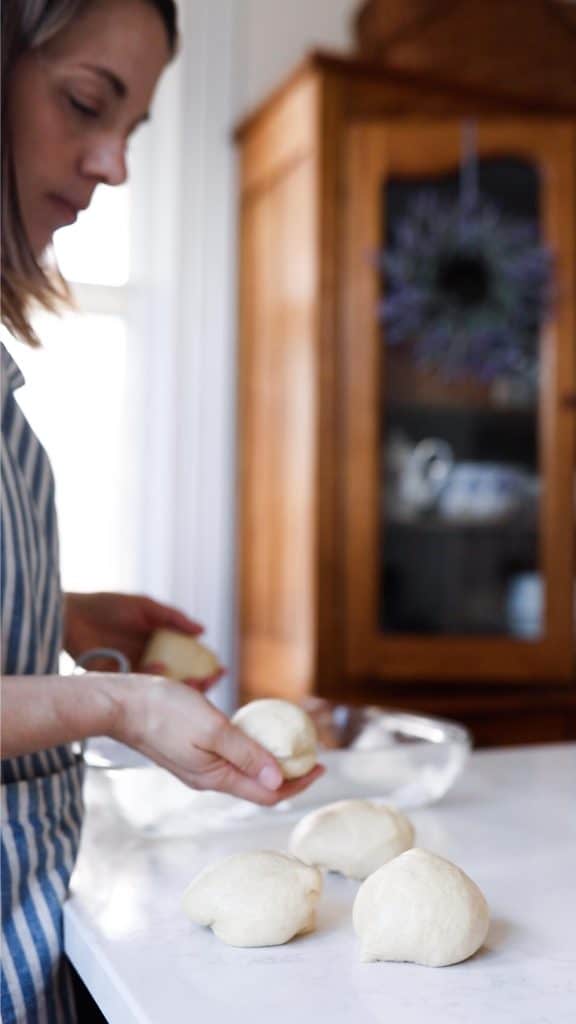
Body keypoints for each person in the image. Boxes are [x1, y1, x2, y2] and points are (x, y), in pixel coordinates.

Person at [0, 3, 323, 1021]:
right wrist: (121, 704)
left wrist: (62, 615)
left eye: (133, 129)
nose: (114, 165)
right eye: (87, 102)